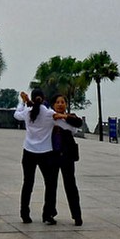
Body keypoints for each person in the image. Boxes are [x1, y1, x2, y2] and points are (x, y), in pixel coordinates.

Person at [14, 88, 58, 223]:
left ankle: (24, 213)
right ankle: (47, 214)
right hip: (46, 152)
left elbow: (16, 114)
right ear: (43, 99)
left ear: (32, 99)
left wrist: (22, 102)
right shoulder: (50, 114)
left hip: (28, 151)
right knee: (50, 184)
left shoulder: (27, 112)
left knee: (28, 183)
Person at [50, 94, 83, 226]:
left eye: (62, 102)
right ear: (53, 105)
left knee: (70, 185)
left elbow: (79, 123)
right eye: (57, 102)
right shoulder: (49, 117)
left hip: (67, 156)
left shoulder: (71, 117)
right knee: (51, 185)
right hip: (52, 154)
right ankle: (50, 213)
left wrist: (63, 116)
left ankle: (77, 215)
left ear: (66, 105)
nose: (60, 104)